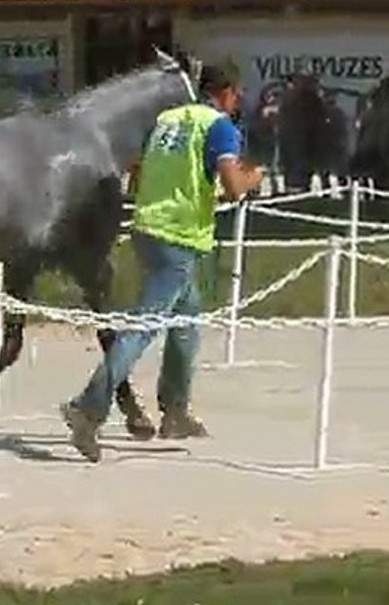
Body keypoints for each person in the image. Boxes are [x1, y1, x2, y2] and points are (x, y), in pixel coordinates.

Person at [61, 64, 264, 463]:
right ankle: (89, 406)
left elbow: (138, 172)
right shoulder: (219, 127)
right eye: (236, 95)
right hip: (179, 235)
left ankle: (175, 409)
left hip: (148, 227)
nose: (237, 102)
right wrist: (253, 178)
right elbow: (232, 187)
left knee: (186, 320)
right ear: (225, 93)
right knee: (143, 326)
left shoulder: (166, 122)